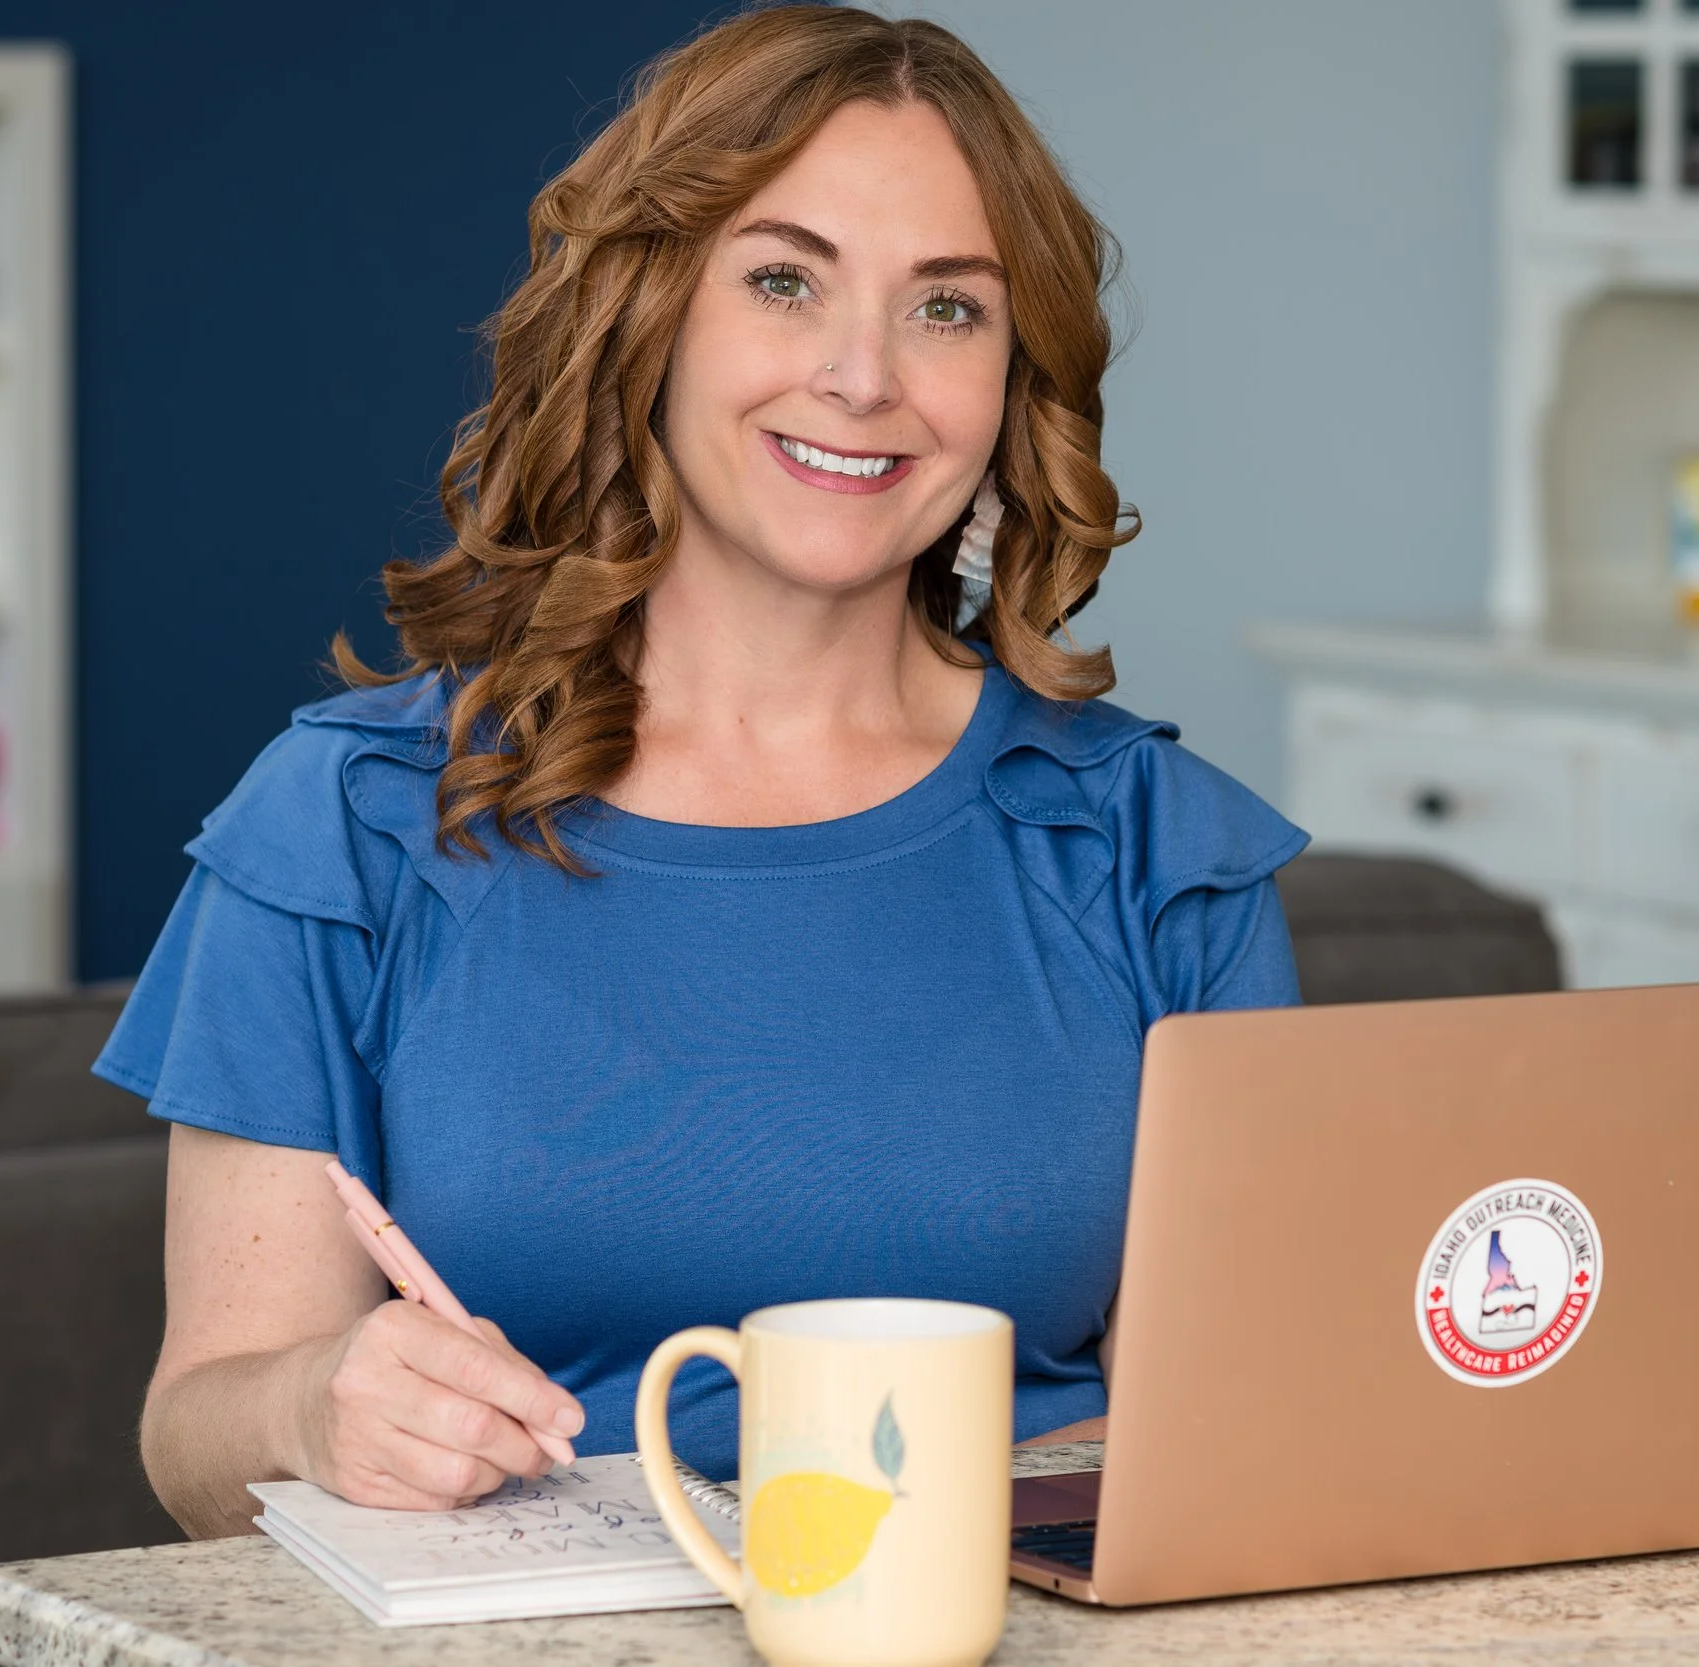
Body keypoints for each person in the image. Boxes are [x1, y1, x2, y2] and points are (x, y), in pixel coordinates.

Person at [99, 7, 1306, 1540]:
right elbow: (196, 1432)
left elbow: (1249, 1441)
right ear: (649, 317)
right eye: (785, 281)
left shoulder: (1152, 849)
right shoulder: (347, 824)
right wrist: (311, 1401)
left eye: (949, 309)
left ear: (1014, 381)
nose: (864, 376)